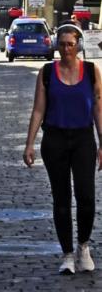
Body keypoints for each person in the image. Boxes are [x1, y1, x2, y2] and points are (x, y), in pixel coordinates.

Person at [23, 23, 102, 275]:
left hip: (83, 138)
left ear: (78, 45)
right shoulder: (47, 72)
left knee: (86, 196)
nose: (66, 49)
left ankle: (83, 245)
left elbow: (98, 109)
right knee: (61, 199)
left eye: (71, 44)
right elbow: (38, 110)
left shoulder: (91, 71)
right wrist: (29, 143)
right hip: (55, 138)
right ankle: (67, 253)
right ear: (56, 45)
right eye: (62, 44)